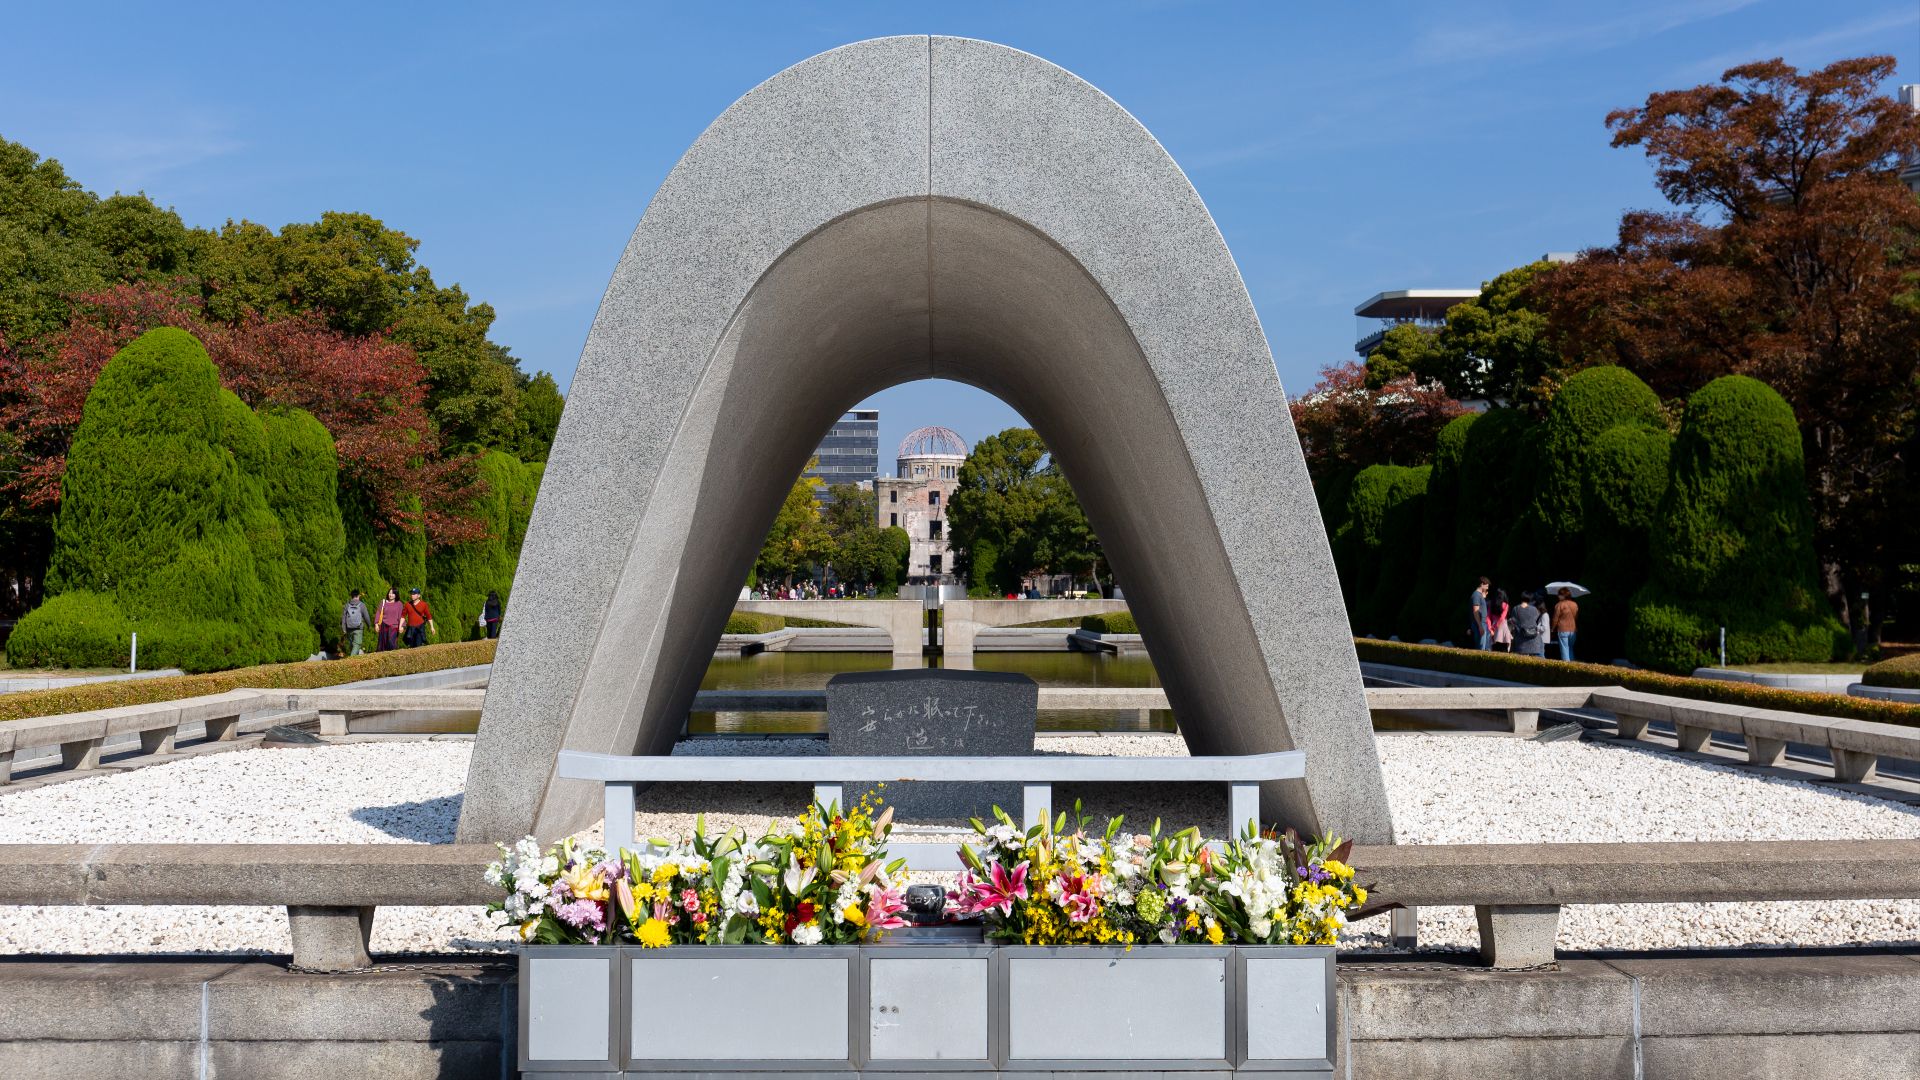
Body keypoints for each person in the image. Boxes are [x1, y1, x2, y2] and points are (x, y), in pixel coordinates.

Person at [1510, 592, 1546, 657]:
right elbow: (1536, 619)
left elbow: (1513, 621)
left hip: (1521, 639)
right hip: (1533, 638)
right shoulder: (1534, 609)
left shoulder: (1515, 609)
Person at [340, 589, 370, 657]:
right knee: (357, 644)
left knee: (352, 646)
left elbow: (343, 618)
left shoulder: (347, 605)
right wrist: (369, 625)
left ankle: (354, 663)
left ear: (351, 596)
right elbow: (366, 617)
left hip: (349, 628)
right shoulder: (362, 605)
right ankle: (351, 661)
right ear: (358, 595)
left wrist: (344, 628)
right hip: (358, 628)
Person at [1552, 586, 1580, 661]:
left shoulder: (1559, 605)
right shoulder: (1575, 604)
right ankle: (1573, 666)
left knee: (1564, 649)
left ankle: (1566, 668)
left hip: (1563, 629)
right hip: (1573, 630)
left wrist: (1552, 628)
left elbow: (1555, 619)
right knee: (1570, 648)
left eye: (1559, 595)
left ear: (1563, 595)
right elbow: (1576, 617)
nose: (1557, 596)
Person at [375, 587, 404, 652]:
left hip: (394, 627)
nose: (390, 595)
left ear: (396, 595)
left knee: (392, 644)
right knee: (383, 645)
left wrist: (402, 626)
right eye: (389, 593)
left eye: (393, 593)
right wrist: (376, 624)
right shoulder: (383, 602)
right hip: (384, 625)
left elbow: (401, 616)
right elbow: (378, 613)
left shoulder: (399, 604)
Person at [1469, 577, 1491, 650]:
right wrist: (1480, 626)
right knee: (1481, 649)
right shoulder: (1476, 595)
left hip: (1482, 623)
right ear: (1482, 584)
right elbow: (1476, 611)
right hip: (1480, 624)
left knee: (1483, 648)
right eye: (1486, 586)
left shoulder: (1479, 595)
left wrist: (1483, 597)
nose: (1487, 588)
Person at [1488, 587, 1512, 652]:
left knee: (1494, 649)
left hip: (1493, 628)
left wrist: (1491, 629)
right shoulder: (1506, 605)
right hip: (1503, 628)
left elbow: (1488, 617)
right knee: (1504, 649)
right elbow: (1502, 618)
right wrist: (1495, 627)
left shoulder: (1491, 604)